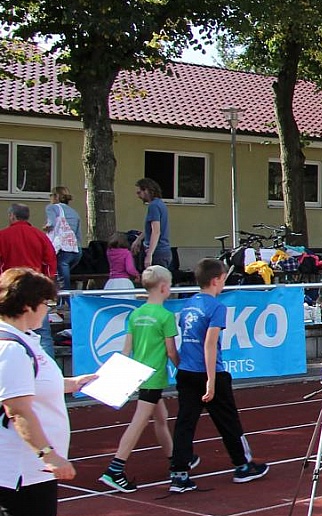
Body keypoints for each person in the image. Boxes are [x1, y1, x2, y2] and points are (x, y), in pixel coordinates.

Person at [0, 268, 99, 516]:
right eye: (45, 304)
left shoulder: (23, 340)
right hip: (23, 468)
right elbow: (18, 410)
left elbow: (35, 384)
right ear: (27, 305)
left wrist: (74, 384)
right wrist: (49, 454)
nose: (48, 311)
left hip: (21, 467)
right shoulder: (10, 347)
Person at [167, 258, 270, 492]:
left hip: (187, 371)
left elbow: (185, 340)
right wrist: (211, 380)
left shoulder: (188, 305)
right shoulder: (217, 307)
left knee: (185, 423)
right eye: (223, 278)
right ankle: (243, 465)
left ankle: (179, 473)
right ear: (216, 280)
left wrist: (181, 366)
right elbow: (210, 344)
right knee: (228, 421)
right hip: (210, 372)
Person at [98, 265, 180, 492]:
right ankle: (115, 468)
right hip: (153, 375)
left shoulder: (136, 314)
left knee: (161, 416)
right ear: (164, 288)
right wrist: (182, 370)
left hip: (139, 374)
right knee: (139, 421)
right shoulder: (166, 316)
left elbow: (126, 350)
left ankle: (175, 459)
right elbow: (171, 351)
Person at [0, 205, 58, 355]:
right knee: (43, 335)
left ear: (12, 216)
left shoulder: (3, 236)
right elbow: (50, 262)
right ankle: (50, 372)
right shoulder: (40, 236)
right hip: (36, 291)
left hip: (9, 291)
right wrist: (47, 284)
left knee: (6, 333)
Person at [44, 187, 81, 292]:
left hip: (63, 249)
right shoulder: (74, 212)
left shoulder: (52, 207)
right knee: (63, 276)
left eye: (51, 195)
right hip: (76, 250)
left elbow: (51, 224)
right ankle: (64, 301)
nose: (50, 198)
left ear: (56, 196)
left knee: (61, 278)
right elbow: (78, 234)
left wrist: (45, 228)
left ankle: (65, 301)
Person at [134, 178, 171, 271]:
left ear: (146, 190)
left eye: (139, 193)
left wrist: (149, 254)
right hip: (163, 251)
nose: (138, 196)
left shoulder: (153, 206)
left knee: (154, 283)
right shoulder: (160, 204)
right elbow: (150, 229)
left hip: (157, 252)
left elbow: (156, 231)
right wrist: (138, 240)